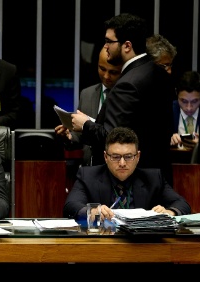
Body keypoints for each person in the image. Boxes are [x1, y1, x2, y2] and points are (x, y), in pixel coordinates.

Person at [70, 13, 174, 184]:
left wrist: (85, 125)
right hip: (159, 176)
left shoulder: (127, 84)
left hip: (134, 182)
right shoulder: (159, 73)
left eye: (109, 41)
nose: (105, 47)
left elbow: (114, 139)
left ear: (127, 46)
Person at [62, 127, 190, 221]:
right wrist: (92, 211)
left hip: (142, 247)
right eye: (116, 157)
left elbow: (182, 204)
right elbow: (70, 206)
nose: (122, 163)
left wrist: (169, 212)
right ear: (106, 157)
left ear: (138, 156)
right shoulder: (88, 176)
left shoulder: (153, 178)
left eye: (128, 157)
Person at [56, 49, 122, 166]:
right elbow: (81, 137)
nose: (106, 76)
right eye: (102, 69)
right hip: (90, 169)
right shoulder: (87, 94)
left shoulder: (125, 97)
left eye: (113, 72)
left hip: (117, 166)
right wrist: (69, 136)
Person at [170, 71, 200, 149]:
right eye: (184, 101)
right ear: (176, 92)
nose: (189, 108)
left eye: (194, 101)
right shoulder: (166, 111)